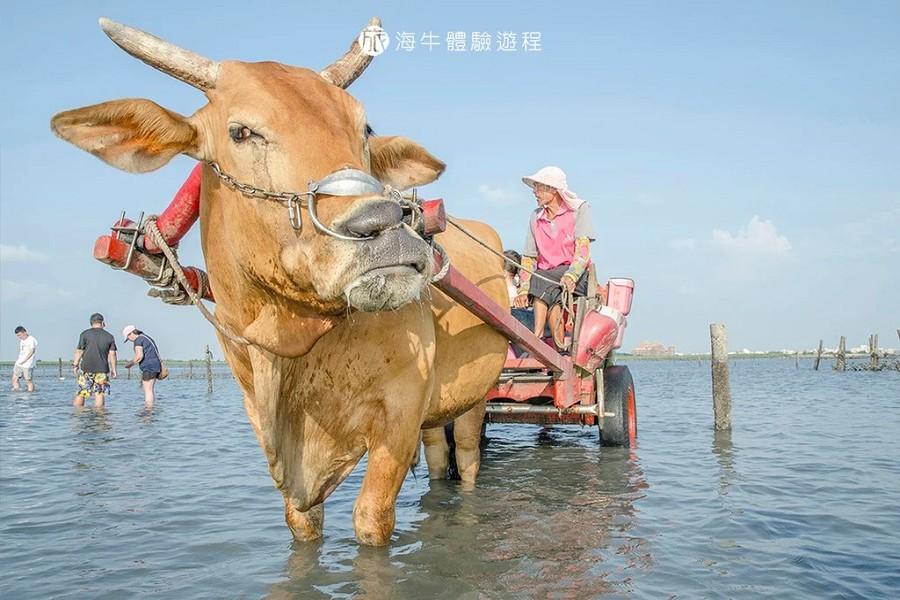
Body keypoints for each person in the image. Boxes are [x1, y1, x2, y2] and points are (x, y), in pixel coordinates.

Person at [514, 166, 595, 352]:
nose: (534, 192)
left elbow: (583, 252)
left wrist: (571, 276)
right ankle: (557, 347)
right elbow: (528, 258)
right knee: (548, 285)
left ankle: (537, 337)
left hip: (575, 274)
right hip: (546, 279)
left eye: (539, 187)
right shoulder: (536, 217)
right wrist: (523, 290)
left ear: (553, 189)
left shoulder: (579, 210)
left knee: (544, 280)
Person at [72, 313, 117, 408]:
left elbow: (79, 351)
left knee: (82, 392)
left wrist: (75, 364)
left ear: (91, 323)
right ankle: (99, 417)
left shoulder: (84, 334)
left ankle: (77, 414)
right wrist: (114, 370)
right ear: (103, 323)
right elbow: (112, 354)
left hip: (86, 368)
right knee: (99, 393)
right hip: (102, 368)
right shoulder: (109, 336)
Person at [122, 325, 163, 408]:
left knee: (148, 390)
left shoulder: (138, 340)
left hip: (148, 367)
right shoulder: (146, 337)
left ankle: (148, 410)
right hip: (155, 366)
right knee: (150, 390)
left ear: (130, 334)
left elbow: (139, 356)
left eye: (128, 338)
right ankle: (150, 409)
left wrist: (130, 364)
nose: (129, 340)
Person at [12, 326, 38, 392]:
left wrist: (24, 360)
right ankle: (17, 394)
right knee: (14, 379)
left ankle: (30, 395)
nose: (19, 337)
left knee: (28, 380)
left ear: (25, 332)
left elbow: (32, 351)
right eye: (17, 336)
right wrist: (19, 361)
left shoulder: (31, 339)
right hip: (19, 363)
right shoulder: (21, 340)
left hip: (28, 364)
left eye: (20, 335)